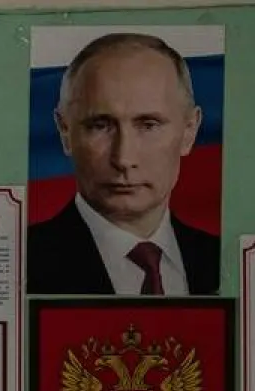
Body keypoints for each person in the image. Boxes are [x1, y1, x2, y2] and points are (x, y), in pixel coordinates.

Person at [27, 32, 220, 296]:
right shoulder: (21, 263)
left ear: (189, 130)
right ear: (64, 131)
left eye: (148, 125)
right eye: (100, 125)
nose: (124, 159)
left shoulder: (219, 259)